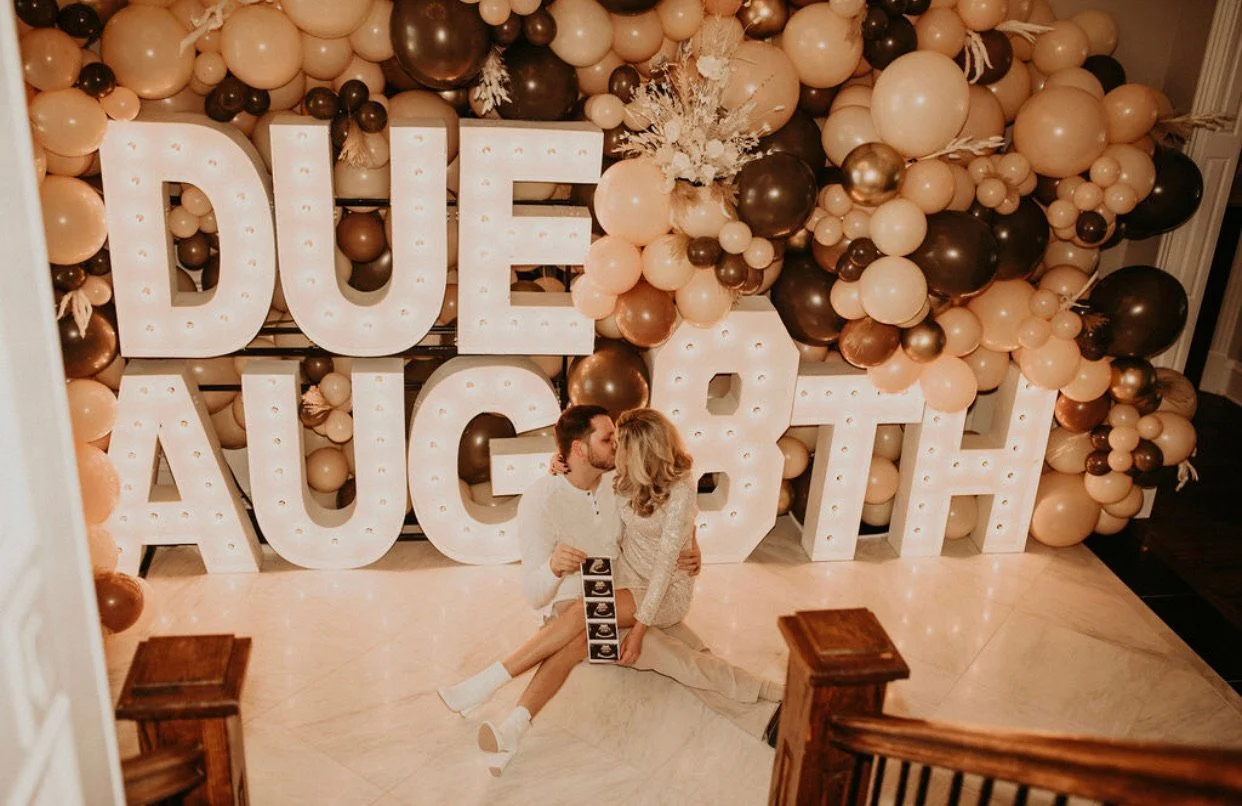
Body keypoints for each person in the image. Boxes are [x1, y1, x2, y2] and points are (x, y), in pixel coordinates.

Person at [438, 405, 783, 775]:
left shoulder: (618, 478)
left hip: (635, 592)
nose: (617, 446)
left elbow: (673, 509)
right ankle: (770, 706)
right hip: (588, 599)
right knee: (676, 655)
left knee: (686, 654)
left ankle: (493, 697)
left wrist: (691, 544)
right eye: (608, 440)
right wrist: (554, 566)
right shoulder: (544, 498)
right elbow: (535, 594)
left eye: (618, 440)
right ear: (580, 449)